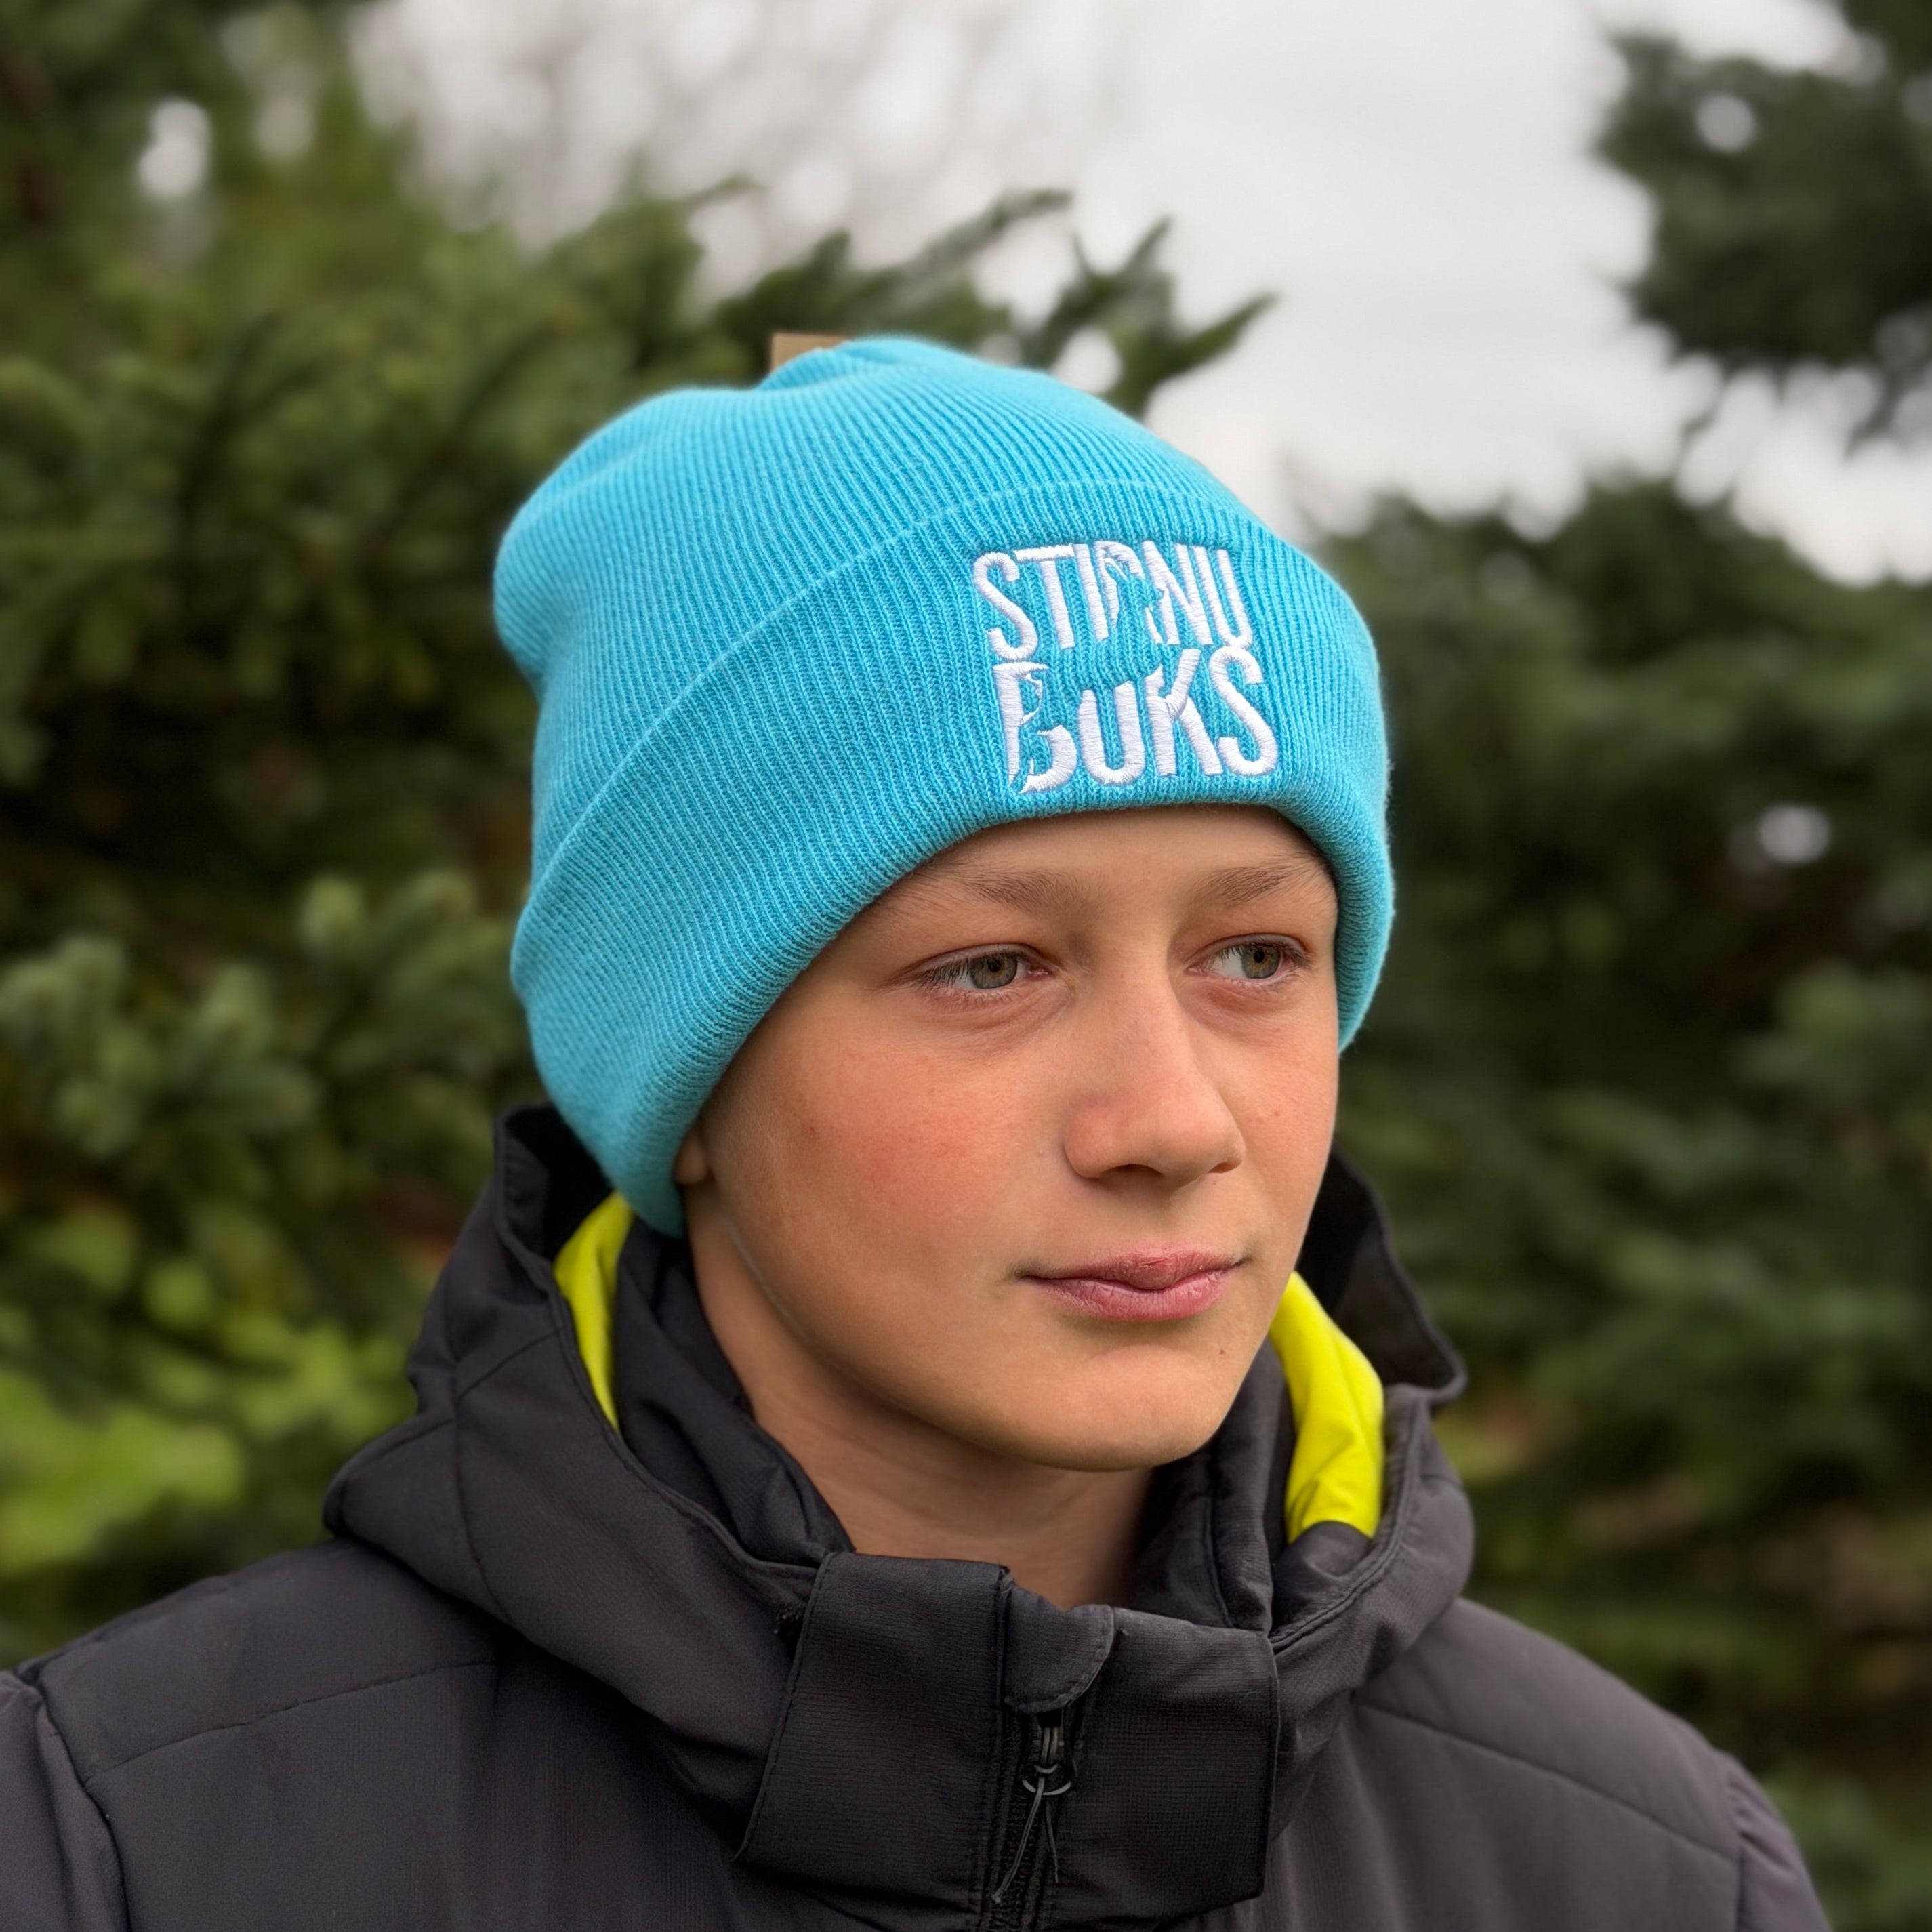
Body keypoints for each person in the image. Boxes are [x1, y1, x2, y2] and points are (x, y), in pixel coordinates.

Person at [0, 339, 1827, 1931]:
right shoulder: (144, 1842)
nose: (1171, 1119)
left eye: (1255, 953)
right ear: (687, 1081)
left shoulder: (1653, 1874)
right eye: (987, 967)